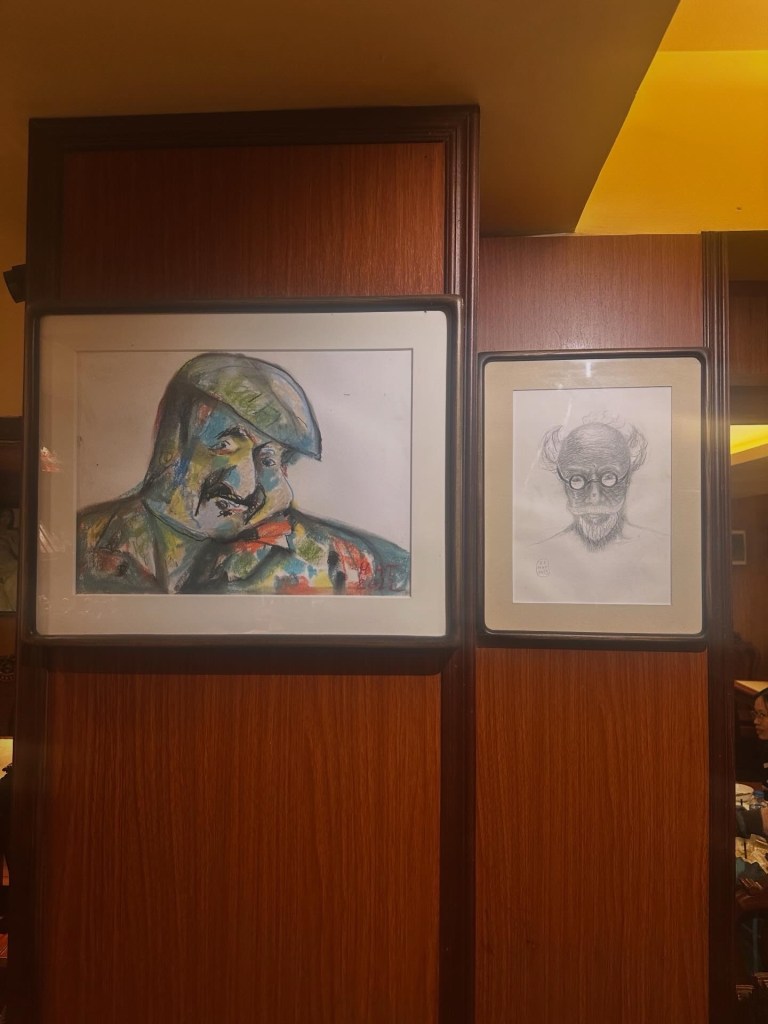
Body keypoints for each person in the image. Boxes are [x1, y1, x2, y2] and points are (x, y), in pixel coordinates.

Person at [77, 353, 410, 596]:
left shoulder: (345, 564)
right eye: (225, 445)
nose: (246, 485)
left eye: (268, 459)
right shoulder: (80, 542)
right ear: (170, 444)